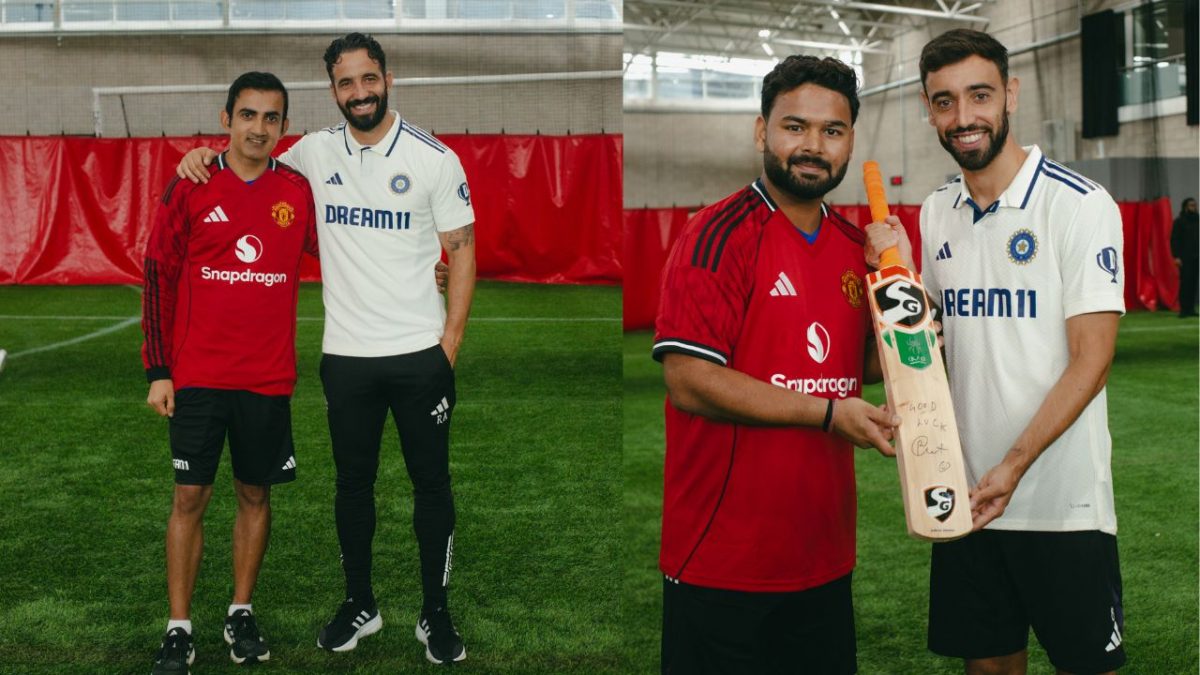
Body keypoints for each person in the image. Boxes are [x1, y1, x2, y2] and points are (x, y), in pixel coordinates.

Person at [177, 32, 475, 665]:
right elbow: (248, 152)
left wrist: (448, 342)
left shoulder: (435, 158)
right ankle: (359, 603)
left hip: (420, 356)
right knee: (352, 486)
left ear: (386, 79)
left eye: (368, 79)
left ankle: (435, 613)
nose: (359, 92)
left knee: (431, 486)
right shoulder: (311, 153)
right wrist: (198, 154)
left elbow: (462, 247)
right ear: (333, 90)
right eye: (346, 83)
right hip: (345, 358)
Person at [866, 29, 1126, 675]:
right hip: (967, 498)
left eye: (979, 95)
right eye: (944, 101)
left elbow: (1091, 358)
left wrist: (1014, 465)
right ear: (929, 111)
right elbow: (930, 343)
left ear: (1009, 93)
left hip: (1061, 504)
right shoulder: (935, 213)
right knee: (988, 668)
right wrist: (894, 280)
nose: (964, 117)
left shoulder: (1081, 205)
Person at [652, 55, 899, 674]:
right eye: (795, 127)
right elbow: (690, 380)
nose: (813, 146)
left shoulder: (854, 247)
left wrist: (912, 312)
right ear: (762, 131)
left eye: (832, 131)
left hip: (824, 556)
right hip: (722, 560)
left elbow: (860, 363)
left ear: (849, 144)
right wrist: (826, 415)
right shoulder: (715, 236)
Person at [142, 71, 318, 674]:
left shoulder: (297, 190)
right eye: (248, 115)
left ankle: (241, 610)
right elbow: (158, 274)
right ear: (226, 120)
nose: (259, 128)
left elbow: (351, 249)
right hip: (197, 376)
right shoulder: (190, 184)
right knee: (190, 494)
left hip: (267, 378)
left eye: (272, 118)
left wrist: (424, 267)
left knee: (254, 491)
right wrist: (158, 369)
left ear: (283, 128)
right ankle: (179, 624)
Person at [1171, 197, 1197, 317]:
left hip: (1196, 257)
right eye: (1191, 205)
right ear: (1185, 207)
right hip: (1184, 258)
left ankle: (1191, 309)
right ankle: (1184, 310)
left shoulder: (1198, 220)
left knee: (1194, 284)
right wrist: (1176, 256)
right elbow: (1174, 240)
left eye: (1195, 205)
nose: (1194, 207)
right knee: (1185, 283)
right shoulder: (1179, 222)